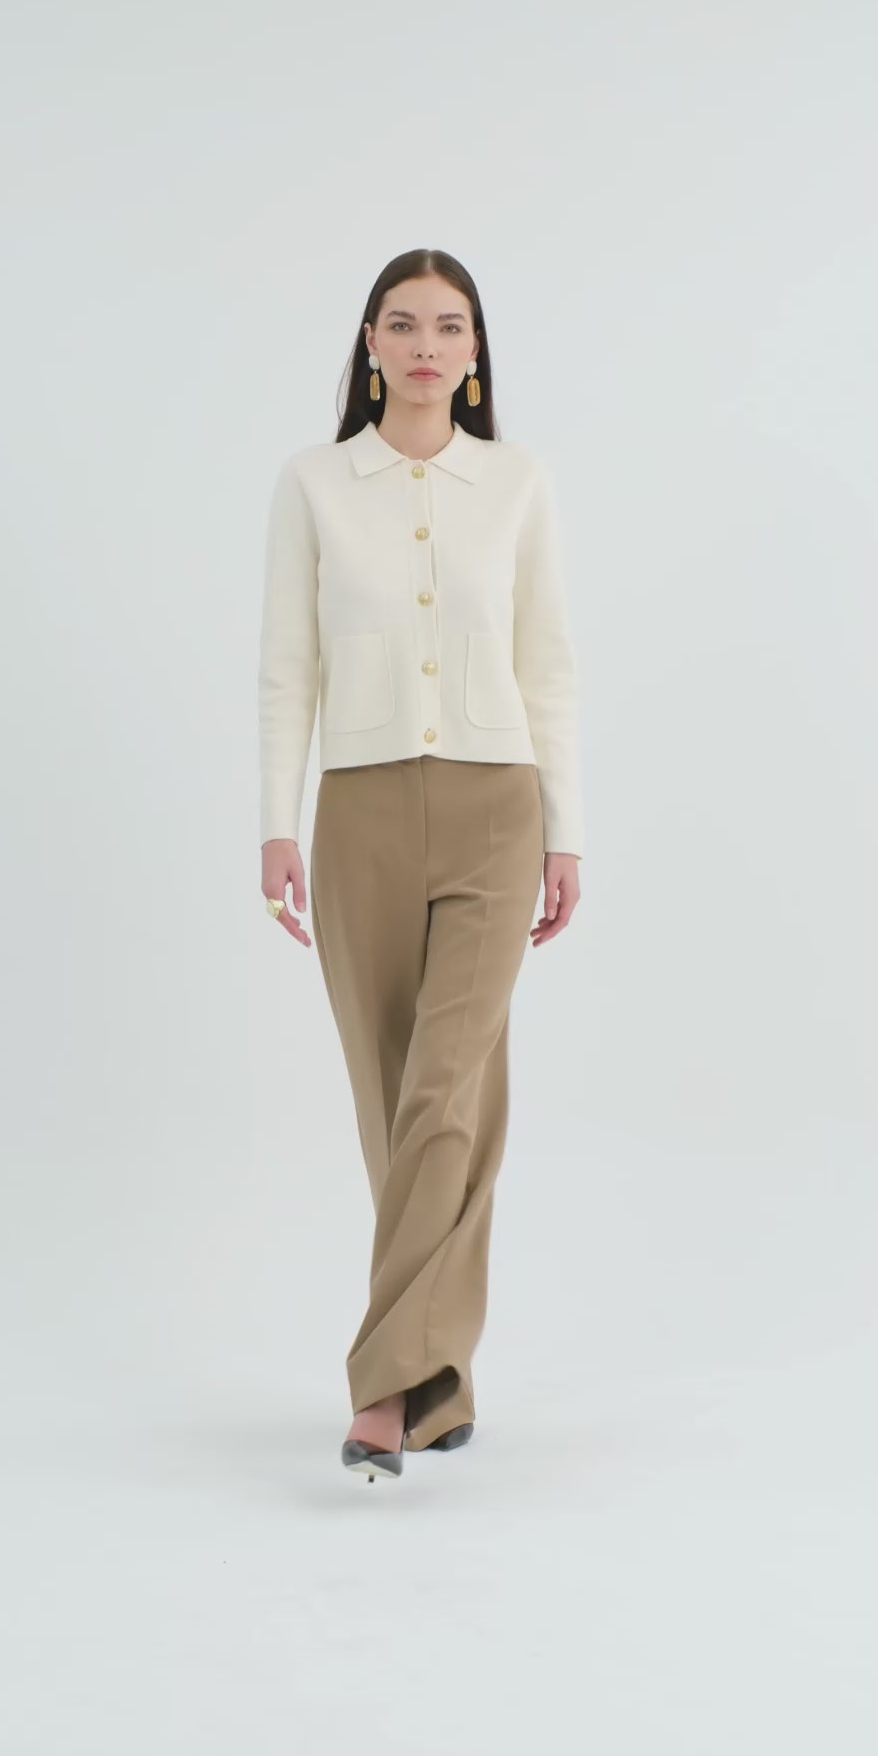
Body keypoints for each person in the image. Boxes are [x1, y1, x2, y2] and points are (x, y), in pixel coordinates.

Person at [257, 247, 585, 1482]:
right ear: (370, 344)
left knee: (447, 1092)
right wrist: (276, 823)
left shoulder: (516, 482)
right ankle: (445, 1380)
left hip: (499, 808)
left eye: (449, 326)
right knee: (397, 1103)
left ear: (476, 351)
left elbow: (548, 662)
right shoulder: (313, 483)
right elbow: (287, 665)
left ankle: (383, 1389)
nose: (427, 346)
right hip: (361, 815)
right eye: (403, 325)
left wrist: (565, 830)